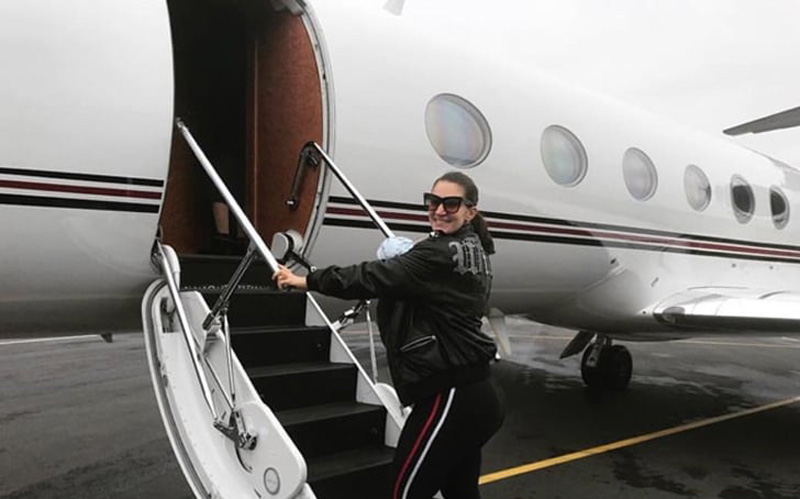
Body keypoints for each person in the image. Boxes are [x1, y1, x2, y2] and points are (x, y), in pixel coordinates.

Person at [274, 171, 504, 498]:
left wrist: (305, 280)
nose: (439, 210)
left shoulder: (438, 252)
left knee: (404, 492)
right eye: (433, 202)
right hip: (476, 393)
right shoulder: (475, 249)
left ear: (470, 211)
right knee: (461, 493)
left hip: (451, 395)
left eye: (451, 203)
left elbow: (370, 276)